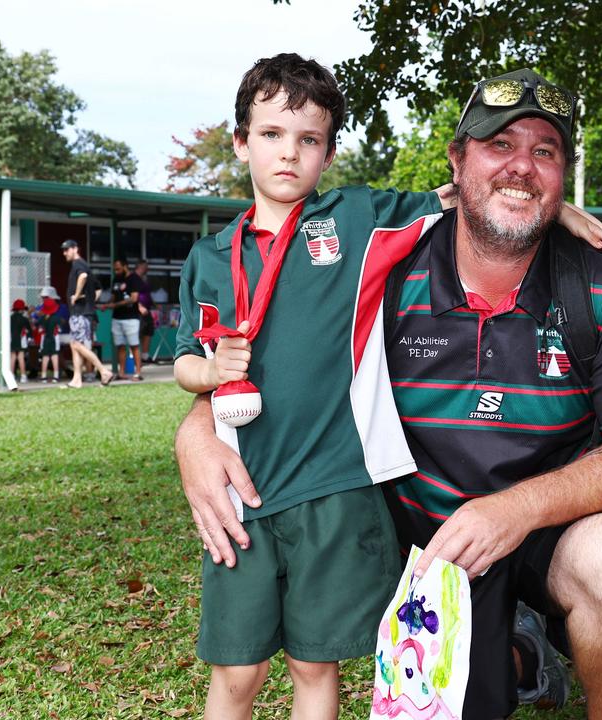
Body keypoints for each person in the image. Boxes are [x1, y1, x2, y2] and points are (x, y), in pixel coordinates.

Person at [176, 68, 602, 720]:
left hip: (547, 525)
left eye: (544, 152)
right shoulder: (383, 264)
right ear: (457, 160)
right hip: (420, 530)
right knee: (460, 690)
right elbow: (280, 350)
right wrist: (195, 433)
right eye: (500, 146)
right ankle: (519, 654)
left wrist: (513, 512)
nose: (521, 167)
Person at [170, 53, 455, 720]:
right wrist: (209, 375)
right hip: (239, 491)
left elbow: (462, 196)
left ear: (329, 152)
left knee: (312, 662)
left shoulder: (357, 221)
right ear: (241, 142)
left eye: (309, 140)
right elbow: (184, 360)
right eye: (271, 135)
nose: (289, 154)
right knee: (236, 668)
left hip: (333, 482)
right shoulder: (210, 257)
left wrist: (561, 214)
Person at [60, 239, 112, 388]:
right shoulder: (83, 265)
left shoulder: (79, 264)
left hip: (80, 312)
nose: (65, 253)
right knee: (75, 344)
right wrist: (90, 300)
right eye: (63, 250)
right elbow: (98, 288)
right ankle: (77, 380)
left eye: (67, 249)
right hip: (83, 311)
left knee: (76, 344)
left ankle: (103, 371)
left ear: (75, 249)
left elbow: (82, 277)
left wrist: (76, 296)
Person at [100, 258, 145, 380]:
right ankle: (122, 372)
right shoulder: (116, 279)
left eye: (118, 268)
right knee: (120, 346)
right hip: (117, 317)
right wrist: (106, 304)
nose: (116, 271)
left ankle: (138, 372)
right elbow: (113, 297)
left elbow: (134, 298)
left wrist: (114, 305)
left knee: (134, 345)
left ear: (125, 266)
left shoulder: (134, 279)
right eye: (115, 269)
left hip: (131, 318)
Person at [134, 259, 157, 363]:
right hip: (137, 311)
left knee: (148, 332)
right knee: (138, 333)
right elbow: (134, 295)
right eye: (145, 266)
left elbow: (148, 295)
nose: (147, 269)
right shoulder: (134, 278)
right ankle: (136, 357)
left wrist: (154, 304)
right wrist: (139, 306)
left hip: (147, 310)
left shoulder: (144, 279)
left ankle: (145, 356)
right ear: (140, 266)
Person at [37, 295, 63, 383]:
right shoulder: (56, 318)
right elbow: (60, 328)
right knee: (54, 357)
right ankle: (55, 376)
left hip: (44, 339)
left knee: (45, 357)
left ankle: (43, 376)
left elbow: (38, 326)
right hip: (54, 339)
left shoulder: (42, 318)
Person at [9, 299, 32, 385]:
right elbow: (29, 330)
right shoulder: (24, 319)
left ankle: (11, 376)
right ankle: (23, 376)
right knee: (21, 358)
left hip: (12, 340)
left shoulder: (10, 318)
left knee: (12, 357)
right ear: (21, 309)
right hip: (21, 340)